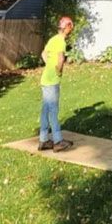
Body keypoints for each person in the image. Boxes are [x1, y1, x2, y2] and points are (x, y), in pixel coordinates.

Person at [39, 15, 74, 151]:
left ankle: (43, 140)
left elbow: (43, 54)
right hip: (53, 80)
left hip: (45, 79)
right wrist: (58, 71)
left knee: (45, 109)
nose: (70, 30)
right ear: (67, 28)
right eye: (70, 27)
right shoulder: (60, 42)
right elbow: (60, 60)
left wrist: (49, 65)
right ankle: (58, 141)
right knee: (53, 109)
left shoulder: (53, 39)